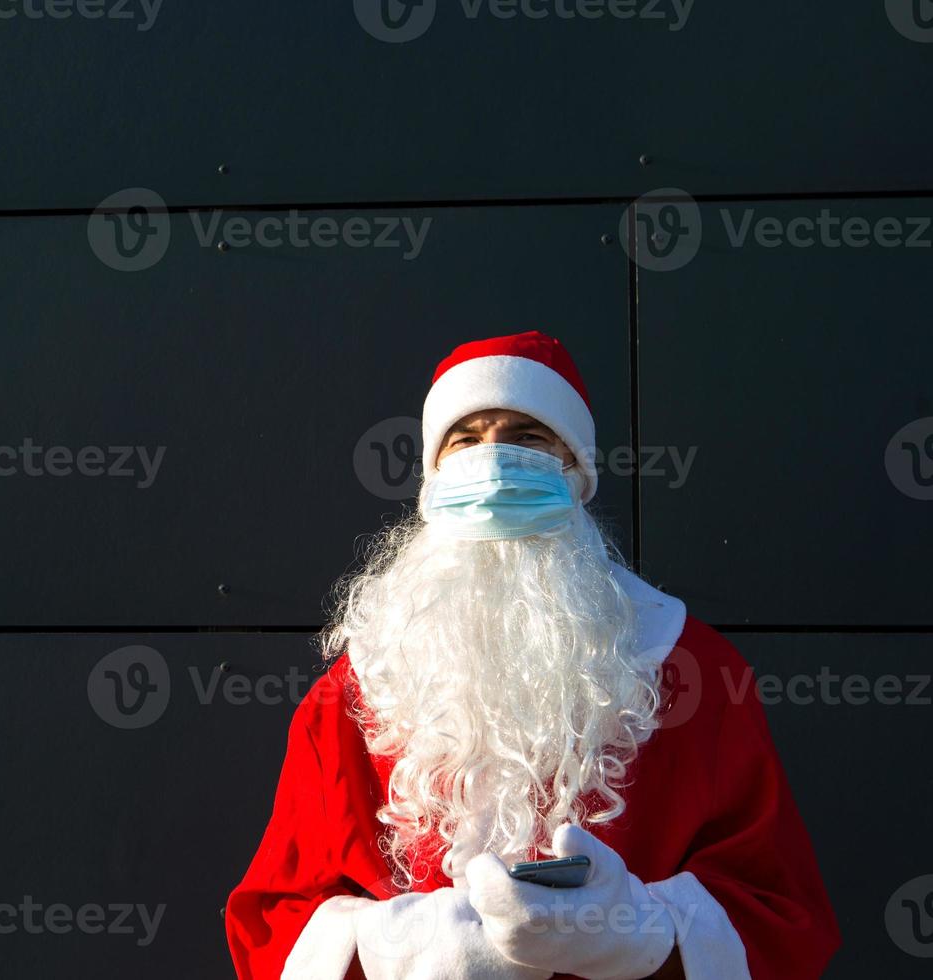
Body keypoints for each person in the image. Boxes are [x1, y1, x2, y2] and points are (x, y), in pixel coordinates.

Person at [225, 331, 840, 979]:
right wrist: (408, 950)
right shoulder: (363, 684)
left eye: (527, 436)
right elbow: (278, 915)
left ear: (576, 471)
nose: (493, 463)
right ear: (432, 480)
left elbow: (779, 908)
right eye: (466, 438)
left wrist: (636, 934)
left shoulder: (692, 669)